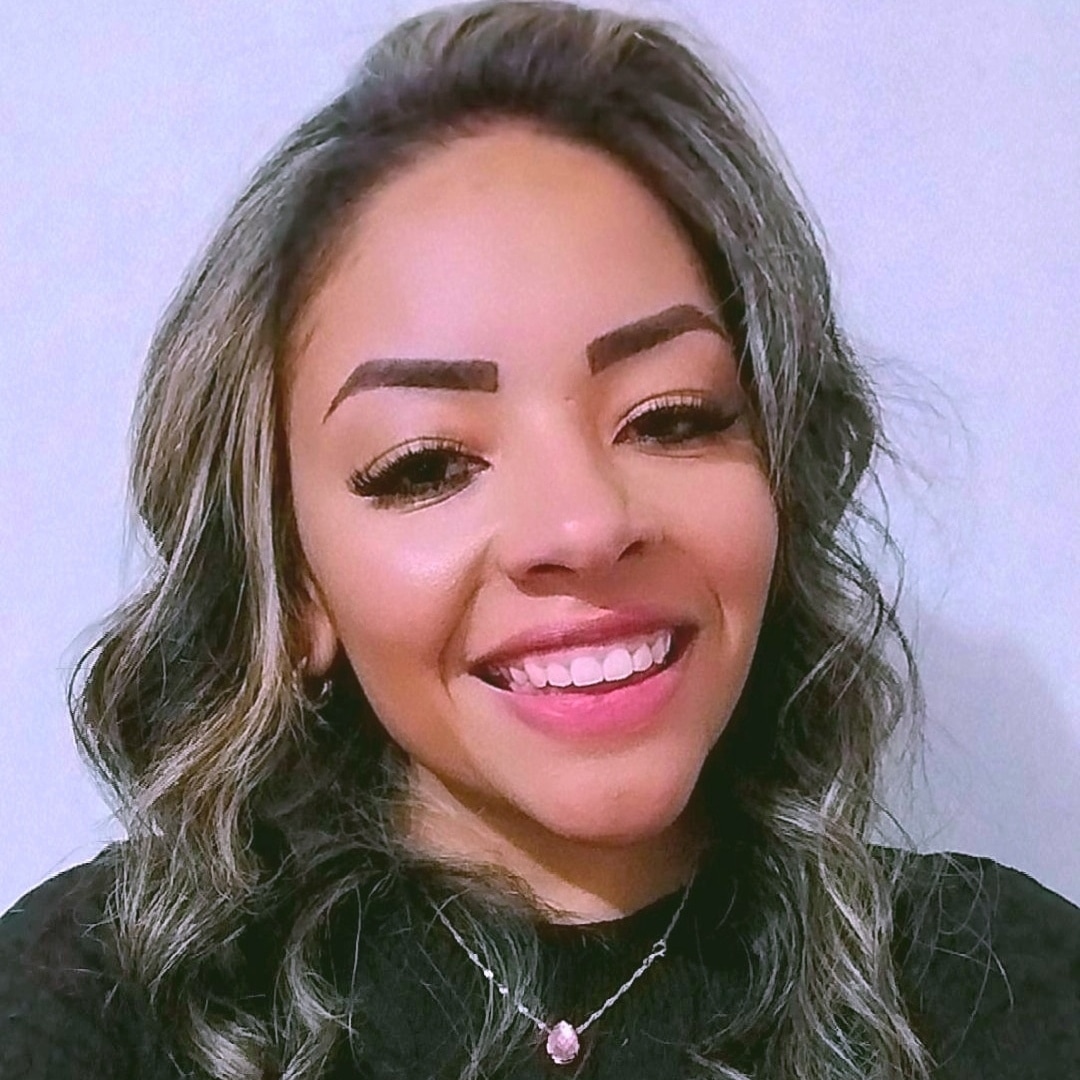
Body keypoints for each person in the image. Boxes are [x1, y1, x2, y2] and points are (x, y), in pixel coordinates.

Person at [1, 2, 1076, 1078]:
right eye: (426, 465)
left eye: (671, 417)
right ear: (295, 583)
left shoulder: (999, 998)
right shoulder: (95, 1008)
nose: (586, 526)